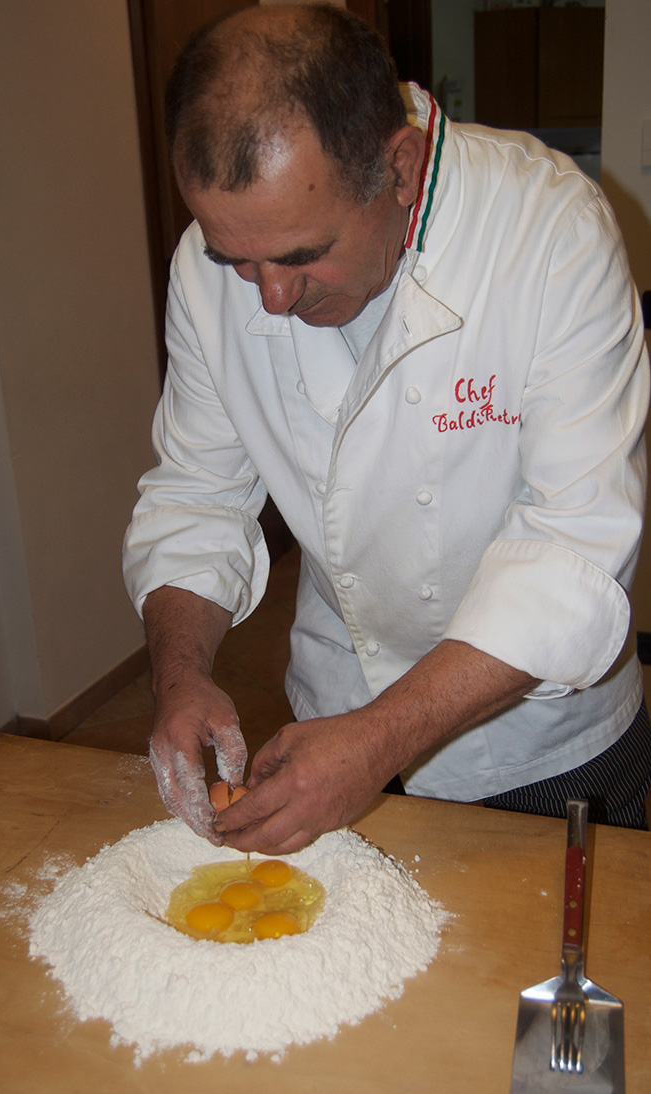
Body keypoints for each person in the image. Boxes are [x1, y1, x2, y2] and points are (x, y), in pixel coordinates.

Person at [123, 4, 651, 853]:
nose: (270, 298)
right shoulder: (204, 272)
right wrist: (178, 676)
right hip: (331, 708)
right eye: (239, 261)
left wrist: (379, 740)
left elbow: (573, 549)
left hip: (540, 746)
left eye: (300, 257)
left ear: (399, 169)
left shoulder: (549, 233)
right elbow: (198, 497)